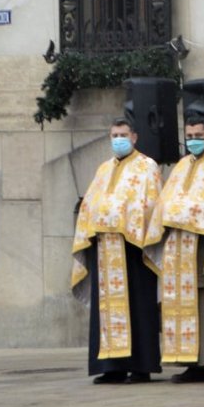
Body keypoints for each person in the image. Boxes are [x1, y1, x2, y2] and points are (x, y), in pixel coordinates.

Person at [71, 117, 164, 384]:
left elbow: (150, 204)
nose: (118, 139)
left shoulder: (147, 167)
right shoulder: (103, 169)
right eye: (113, 135)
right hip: (104, 250)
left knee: (137, 307)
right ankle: (111, 366)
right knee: (106, 310)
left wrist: (124, 223)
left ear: (134, 137)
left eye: (122, 134)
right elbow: (90, 204)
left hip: (133, 248)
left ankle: (140, 366)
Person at [143, 114, 204, 383]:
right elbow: (165, 203)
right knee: (181, 304)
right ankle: (192, 364)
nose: (194, 140)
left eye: (199, 135)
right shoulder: (181, 166)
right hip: (177, 246)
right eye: (190, 136)